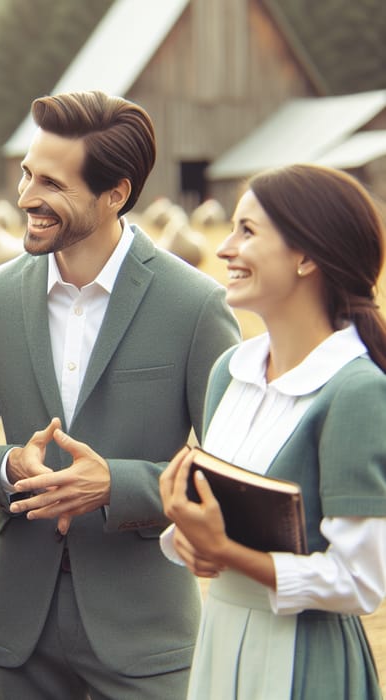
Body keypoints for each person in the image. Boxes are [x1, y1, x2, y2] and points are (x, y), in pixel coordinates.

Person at [0, 90, 240, 699]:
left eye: (51, 182)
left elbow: (232, 472)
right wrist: (5, 465)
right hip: (18, 630)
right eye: (26, 173)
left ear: (116, 193)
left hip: (146, 634)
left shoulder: (196, 304)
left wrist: (115, 485)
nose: (25, 197)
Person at [160, 163, 386, 699]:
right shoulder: (229, 372)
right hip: (220, 637)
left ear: (306, 256)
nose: (223, 248)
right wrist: (191, 538)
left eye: (248, 231)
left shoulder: (357, 391)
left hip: (303, 659)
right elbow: (223, 528)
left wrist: (229, 554)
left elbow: (361, 580)